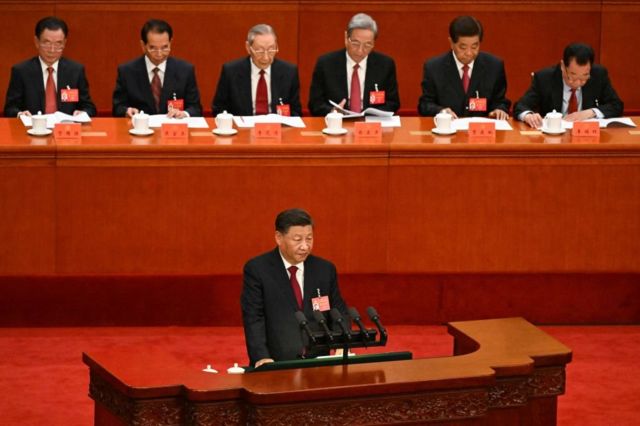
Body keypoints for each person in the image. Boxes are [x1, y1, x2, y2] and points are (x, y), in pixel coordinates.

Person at [241, 208, 349, 368]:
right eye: (297, 239)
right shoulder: (258, 269)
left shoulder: (325, 270)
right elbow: (254, 318)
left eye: (309, 239)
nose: (305, 246)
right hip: (277, 364)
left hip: (318, 365)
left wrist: (342, 344)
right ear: (279, 237)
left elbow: (338, 310)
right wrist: (261, 357)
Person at [418, 15, 510, 119]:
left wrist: (499, 110)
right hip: (448, 130)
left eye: (475, 46)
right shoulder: (434, 68)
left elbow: (501, 101)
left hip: (482, 131)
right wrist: (441, 111)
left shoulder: (494, 66)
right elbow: (425, 105)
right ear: (451, 43)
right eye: (463, 47)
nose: (469, 53)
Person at [308, 13, 400, 116]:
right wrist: (332, 112)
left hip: (371, 125)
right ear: (346, 38)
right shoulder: (326, 64)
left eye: (367, 45)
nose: (360, 51)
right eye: (355, 43)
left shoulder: (385, 65)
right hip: (337, 125)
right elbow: (315, 104)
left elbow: (393, 103)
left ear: (374, 43)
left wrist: (370, 115)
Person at [4, 16, 96, 118]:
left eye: (58, 44)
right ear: (36, 42)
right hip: (33, 130)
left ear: (64, 43)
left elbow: (89, 107)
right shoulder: (21, 71)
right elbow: (10, 108)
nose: (52, 50)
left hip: (66, 130)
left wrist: (82, 113)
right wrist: (20, 114)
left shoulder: (75, 71)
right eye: (46, 43)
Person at [514, 42, 623, 128]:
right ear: (562, 66)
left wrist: (590, 112)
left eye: (584, 76)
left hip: (588, 138)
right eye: (573, 76)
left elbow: (616, 105)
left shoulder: (598, 75)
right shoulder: (544, 78)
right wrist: (528, 115)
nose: (578, 83)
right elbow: (520, 106)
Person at [112, 19, 202, 118]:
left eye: (165, 47)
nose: (159, 54)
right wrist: (127, 110)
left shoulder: (185, 70)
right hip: (139, 129)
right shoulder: (127, 71)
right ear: (143, 45)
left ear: (170, 42)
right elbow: (118, 107)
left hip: (173, 129)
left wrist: (184, 113)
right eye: (153, 48)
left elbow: (195, 108)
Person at [211, 24, 301, 117]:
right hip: (242, 129)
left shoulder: (289, 72)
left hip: (277, 129)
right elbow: (219, 109)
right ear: (248, 48)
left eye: (271, 50)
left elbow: (295, 112)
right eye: (260, 51)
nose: (266, 57)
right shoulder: (231, 71)